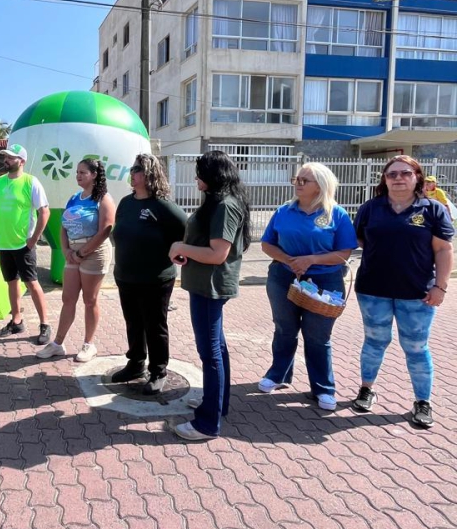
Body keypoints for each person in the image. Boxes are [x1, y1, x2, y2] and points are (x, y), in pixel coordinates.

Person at [351, 155, 453, 429]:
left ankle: (422, 402)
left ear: (417, 177)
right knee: (374, 341)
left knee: (416, 348)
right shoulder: (371, 208)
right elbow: (358, 239)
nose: (398, 178)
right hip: (373, 290)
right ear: (384, 179)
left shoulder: (432, 209)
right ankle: (366, 389)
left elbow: (443, 250)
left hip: (417, 294)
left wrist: (440, 287)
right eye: (392, 174)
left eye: (405, 173)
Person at [256, 162, 357, 412]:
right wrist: (289, 260)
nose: (298, 184)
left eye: (304, 180)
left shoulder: (336, 214)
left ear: (320, 186)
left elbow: (344, 252)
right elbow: (267, 244)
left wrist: (310, 260)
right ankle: (279, 374)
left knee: (318, 336)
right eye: (297, 179)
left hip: (325, 282)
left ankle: (323, 388)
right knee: (284, 329)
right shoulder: (284, 211)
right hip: (283, 277)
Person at [168, 151, 250, 441]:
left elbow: (217, 254)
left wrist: (180, 247)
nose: (196, 178)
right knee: (217, 348)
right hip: (205, 283)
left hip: (210, 287)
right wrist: (187, 251)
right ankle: (216, 404)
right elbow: (208, 245)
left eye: (201, 172)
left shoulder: (225, 205)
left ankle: (207, 424)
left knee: (210, 352)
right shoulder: (219, 202)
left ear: (214, 176)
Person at [110, 153, 187, 393]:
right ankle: (135, 364)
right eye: (132, 169)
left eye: (137, 169)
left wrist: (179, 251)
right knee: (133, 322)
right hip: (126, 277)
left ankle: (158, 371)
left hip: (155, 280)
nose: (132, 173)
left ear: (150, 174)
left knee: (154, 326)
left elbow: (186, 231)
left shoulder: (163, 206)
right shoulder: (126, 203)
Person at [38, 158, 115, 363]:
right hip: (72, 253)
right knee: (68, 298)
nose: (78, 176)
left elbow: (105, 231)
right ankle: (58, 344)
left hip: (94, 254)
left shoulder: (103, 199)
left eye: (83, 172)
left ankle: (89, 344)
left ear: (94, 175)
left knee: (90, 300)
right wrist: (66, 250)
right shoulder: (74, 198)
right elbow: (63, 226)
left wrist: (82, 253)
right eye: (77, 172)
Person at [0, 143, 52, 344]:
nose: (6, 160)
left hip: (23, 244)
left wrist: (33, 239)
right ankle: (16, 321)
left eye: (10, 157)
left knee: (31, 283)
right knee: (11, 282)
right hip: (3, 243)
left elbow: (45, 212)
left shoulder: (31, 182)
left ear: (21, 161)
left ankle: (45, 324)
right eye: (5, 157)